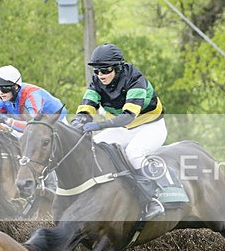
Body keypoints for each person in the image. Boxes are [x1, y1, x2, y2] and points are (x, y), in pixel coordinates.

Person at [71, 43, 167, 219]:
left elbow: (128, 116)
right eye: (97, 71)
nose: (100, 75)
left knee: (134, 153)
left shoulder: (136, 80)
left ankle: (153, 199)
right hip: (123, 128)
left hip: (151, 126)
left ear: (117, 67)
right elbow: (87, 106)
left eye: (105, 70)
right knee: (95, 147)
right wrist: (78, 121)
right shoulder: (97, 81)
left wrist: (99, 125)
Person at [0, 65, 67, 136]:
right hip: (32, 125)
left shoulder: (32, 96)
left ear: (16, 87)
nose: (1, 93)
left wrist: (6, 120)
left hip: (56, 122)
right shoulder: (4, 98)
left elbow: (32, 127)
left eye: (5, 88)